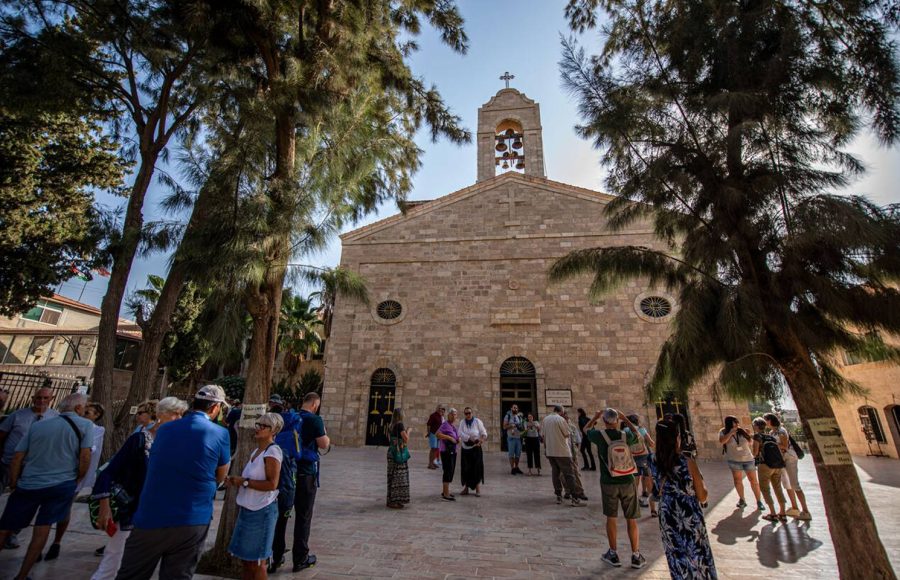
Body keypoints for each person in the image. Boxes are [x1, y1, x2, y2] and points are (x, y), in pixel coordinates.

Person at [114, 385, 231, 580]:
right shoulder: (220, 433)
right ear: (215, 408)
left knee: (131, 574)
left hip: (151, 516)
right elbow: (221, 474)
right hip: (193, 517)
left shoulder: (165, 429)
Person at [90, 397, 188, 580]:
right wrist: (104, 505)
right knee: (113, 560)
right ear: (160, 415)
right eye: (174, 414)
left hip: (158, 514)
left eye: (181, 414)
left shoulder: (176, 444)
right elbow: (109, 472)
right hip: (131, 509)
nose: (179, 418)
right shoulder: (139, 439)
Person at [0, 393, 92, 580]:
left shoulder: (39, 425)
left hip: (29, 483)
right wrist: (77, 478)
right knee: (42, 530)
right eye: (84, 407)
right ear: (77, 408)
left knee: (5, 526)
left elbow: (18, 456)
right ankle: (22, 575)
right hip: (61, 484)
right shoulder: (85, 426)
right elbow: (85, 456)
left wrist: (14, 481)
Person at [651, 419, 717, 579]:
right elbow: (702, 496)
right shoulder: (687, 462)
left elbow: (652, 489)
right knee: (698, 555)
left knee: (676, 556)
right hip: (689, 514)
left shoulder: (652, 461)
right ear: (677, 438)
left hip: (667, 514)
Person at [45, 401, 108, 561]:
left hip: (75, 475)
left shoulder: (96, 430)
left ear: (96, 417)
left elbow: (89, 451)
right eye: (84, 411)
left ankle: (56, 542)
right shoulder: (68, 424)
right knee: (45, 511)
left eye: (89, 412)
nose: (84, 413)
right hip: (56, 471)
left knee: (65, 509)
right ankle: (40, 544)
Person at [584, 408, 645, 569]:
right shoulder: (626, 436)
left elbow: (586, 430)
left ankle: (613, 553)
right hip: (628, 480)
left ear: (604, 421)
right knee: (631, 518)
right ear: (617, 421)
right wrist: (626, 418)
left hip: (608, 481)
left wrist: (595, 417)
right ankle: (636, 555)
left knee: (611, 517)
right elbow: (639, 435)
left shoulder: (600, 436)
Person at [275, 392, 329, 573]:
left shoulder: (290, 417)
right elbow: (323, 444)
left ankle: (276, 557)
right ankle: (300, 558)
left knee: (282, 515)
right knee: (303, 517)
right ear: (315, 404)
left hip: (287, 472)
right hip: (306, 473)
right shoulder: (315, 420)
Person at [227, 412, 283, 580]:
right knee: (246, 560)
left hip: (262, 511)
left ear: (273, 431)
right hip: (248, 509)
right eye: (257, 424)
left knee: (258, 562)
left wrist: (244, 482)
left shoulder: (272, 452)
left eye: (263, 426)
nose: (257, 428)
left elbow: (272, 484)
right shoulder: (257, 451)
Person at [0, 387, 58, 549]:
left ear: (51, 399)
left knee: (22, 503)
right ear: (33, 398)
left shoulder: (55, 418)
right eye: (38, 398)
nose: (41, 401)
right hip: (7, 463)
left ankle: (12, 533)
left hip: (32, 467)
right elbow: (2, 435)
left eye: (45, 398)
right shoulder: (18, 415)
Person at [268, 393, 303, 572]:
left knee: (269, 523)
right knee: (281, 523)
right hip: (288, 484)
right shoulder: (293, 429)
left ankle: (268, 557)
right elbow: (298, 454)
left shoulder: (271, 439)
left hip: (269, 489)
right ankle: (277, 556)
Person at [764, 413, 811, 520]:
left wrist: (771, 443)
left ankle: (806, 511)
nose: (765, 422)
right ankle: (794, 507)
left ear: (770, 420)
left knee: (794, 484)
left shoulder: (781, 431)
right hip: (780, 459)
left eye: (766, 420)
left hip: (789, 458)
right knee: (787, 484)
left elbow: (784, 446)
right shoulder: (772, 432)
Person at [718, 416, 763, 510]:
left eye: (737, 422)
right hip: (734, 460)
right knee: (737, 480)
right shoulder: (723, 432)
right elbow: (722, 441)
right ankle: (742, 499)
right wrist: (731, 433)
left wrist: (748, 434)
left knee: (753, 481)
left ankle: (759, 501)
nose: (736, 424)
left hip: (748, 459)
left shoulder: (742, 431)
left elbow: (750, 443)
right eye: (734, 423)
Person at [542, 405, 584, 507]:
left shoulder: (545, 419)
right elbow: (567, 434)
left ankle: (558, 496)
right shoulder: (560, 419)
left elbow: (543, 436)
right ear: (561, 411)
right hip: (562, 451)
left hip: (550, 451)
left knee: (555, 473)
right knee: (569, 474)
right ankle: (575, 498)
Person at [751, 417, 787, 523]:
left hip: (765, 465)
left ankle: (772, 513)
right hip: (777, 465)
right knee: (778, 488)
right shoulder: (771, 437)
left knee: (765, 489)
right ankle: (783, 513)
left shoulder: (757, 437)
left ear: (756, 426)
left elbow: (755, 452)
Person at [625, 414, 656, 517]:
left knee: (635, 484)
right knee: (649, 484)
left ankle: (635, 506)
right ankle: (653, 510)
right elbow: (651, 443)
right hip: (645, 458)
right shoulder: (642, 430)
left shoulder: (625, 431)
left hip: (632, 459)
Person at [458, 407, 487, 496]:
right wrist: (468, 438)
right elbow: (459, 432)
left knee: (476, 467)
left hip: (476, 448)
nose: (468, 415)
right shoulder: (462, 422)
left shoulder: (477, 421)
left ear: (472, 413)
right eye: (466, 413)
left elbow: (483, 432)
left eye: (469, 413)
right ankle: (466, 488)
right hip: (466, 448)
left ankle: (477, 489)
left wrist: (481, 441)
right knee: (466, 468)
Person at [386, 408, 411, 508]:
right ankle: (394, 501)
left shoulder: (391, 425)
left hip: (391, 453)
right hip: (398, 454)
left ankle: (391, 500)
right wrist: (408, 431)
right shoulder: (400, 425)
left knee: (392, 477)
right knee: (398, 477)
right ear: (401, 415)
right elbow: (406, 439)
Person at [562, 411, 588, 501]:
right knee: (563, 474)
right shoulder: (559, 427)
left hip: (572, 454)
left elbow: (577, 441)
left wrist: (575, 452)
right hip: (563, 454)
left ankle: (580, 491)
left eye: (566, 417)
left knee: (575, 473)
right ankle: (567, 491)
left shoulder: (572, 427)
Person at [435, 407, 460, 501]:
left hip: (453, 451)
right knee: (448, 470)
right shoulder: (445, 424)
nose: (454, 416)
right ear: (448, 415)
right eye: (453, 414)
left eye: (455, 414)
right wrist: (449, 438)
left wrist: (458, 439)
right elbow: (437, 434)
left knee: (451, 470)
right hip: (446, 451)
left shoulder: (452, 426)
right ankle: (445, 494)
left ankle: (446, 491)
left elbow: (456, 437)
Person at [502, 404, 524, 475]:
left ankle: (516, 467)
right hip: (511, 438)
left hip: (518, 438)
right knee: (511, 454)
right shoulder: (507, 416)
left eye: (517, 408)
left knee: (518, 454)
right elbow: (504, 427)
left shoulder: (519, 417)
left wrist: (521, 427)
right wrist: (511, 425)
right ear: (511, 408)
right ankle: (512, 468)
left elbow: (521, 427)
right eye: (514, 408)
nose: (515, 409)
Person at [426, 404, 445, 469]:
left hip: (438, 435)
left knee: (436, 449)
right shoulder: (433, 415)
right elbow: (428, 424)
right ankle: (430, 464)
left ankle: (433, 462)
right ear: (436, 408)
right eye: (439, 408)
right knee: (433, 448)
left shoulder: (440, 416)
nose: (440, 409)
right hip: (433, 434)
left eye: (441, 408)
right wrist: (428, 433)